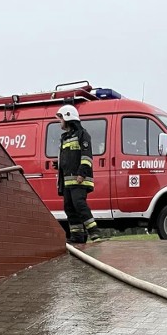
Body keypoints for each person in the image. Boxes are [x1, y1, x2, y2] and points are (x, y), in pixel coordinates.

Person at [56, 104, 104, 244]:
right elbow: (68, 156)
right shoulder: (65, 137)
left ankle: (94, 232)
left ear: (68, 117)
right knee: (69, 207)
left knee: (79, 204)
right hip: (67, 181)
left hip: (79, 179)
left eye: (61, 118)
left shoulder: (82, 134)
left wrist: (82, 174)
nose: (60, 122)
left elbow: (86, 156)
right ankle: (77, 236)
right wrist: (58, 165)